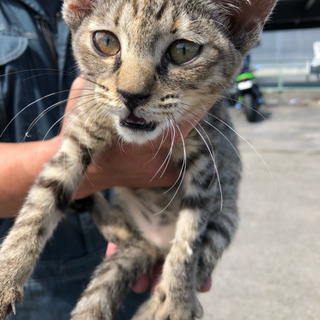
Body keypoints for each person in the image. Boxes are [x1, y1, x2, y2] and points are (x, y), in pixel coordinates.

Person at [0, 1, 210, 319]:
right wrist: (103, 169)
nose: (132, 88)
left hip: (131, 263)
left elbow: (213, 187)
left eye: (180, 51)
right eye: (107, 42)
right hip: (41, 286)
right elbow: (66, 163)